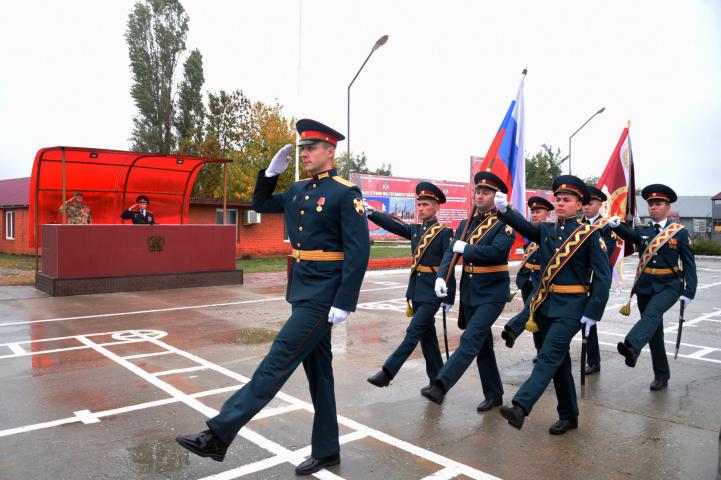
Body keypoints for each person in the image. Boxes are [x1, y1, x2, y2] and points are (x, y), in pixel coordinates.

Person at [175, 119, 370, 476]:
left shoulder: (345, 193)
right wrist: (269, 172)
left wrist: (345, 299)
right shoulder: (297, 190)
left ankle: (219, 433)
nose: (305, 154)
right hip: (301, 288)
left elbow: (359, 251)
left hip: (324, 295)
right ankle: (327, 450)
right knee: (319, 375)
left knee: (277, 359)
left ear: (331, 151)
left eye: (312, 148)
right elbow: (261, 204)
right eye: (302, 149)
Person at [495, 175, 611, 434]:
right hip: (546, 305)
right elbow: (524, 227)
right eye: (557, 199)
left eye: (566, 200)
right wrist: (504, 210)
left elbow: (603, 277)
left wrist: (594, 311)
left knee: (548, 355)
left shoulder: (591, 235)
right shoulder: (546, 231)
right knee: (559, 364)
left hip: (572, 307)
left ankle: (520, 407)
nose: (559, 204)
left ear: (579, 204)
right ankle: (569, 415)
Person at [423, 171, 515, 412]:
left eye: (486, 192)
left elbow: (497, 253)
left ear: (497, 196)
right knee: (482, 345)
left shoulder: (505, 223)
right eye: (478, 191)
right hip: (471, 292)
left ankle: (441, 385)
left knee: (470, 338)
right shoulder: (466, 224)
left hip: (493, 292)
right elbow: (450, 253)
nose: (480, 195)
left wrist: (469, 249)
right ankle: (494, 394)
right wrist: (442, 277)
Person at [364, 182, 456, 391]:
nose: (421, 208)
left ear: (436, 207)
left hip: (433, 291)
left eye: (425, 204)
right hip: (416, 291)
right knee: (427, 337)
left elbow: (448, 264)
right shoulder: (415, 230)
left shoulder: (444, 233)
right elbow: (394, 225)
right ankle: (437, 382)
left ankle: (387, 372)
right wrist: (372, 213)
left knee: (413, 331)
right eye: (419, 204)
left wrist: (449, 297)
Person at [607, 184, 696, 391]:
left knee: (652, 315)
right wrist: (615, 226)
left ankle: (631, 346)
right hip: (646, 286)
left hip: (669, 286)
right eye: (651, 204)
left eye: (658, 203)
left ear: (668, 206)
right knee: (655, 332)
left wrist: (689, 291)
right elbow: (629, 236)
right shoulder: (643, 231)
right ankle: (662, 376)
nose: (653, 207)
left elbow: (689, 264)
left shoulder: (680, 232)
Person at [501, 196, 554, 352]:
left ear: (548, 214)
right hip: (527, 282)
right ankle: (539, 351)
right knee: (534, 319)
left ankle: (512, 329)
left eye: (538, 211)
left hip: (543, 282)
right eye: (532, 212)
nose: (535, 215)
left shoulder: (552, 233)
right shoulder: (530, 237)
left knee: (532, 310)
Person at [580, 185, 617, 375]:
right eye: (584, 203)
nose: (586, 207)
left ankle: (593, 361)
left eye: (590, 203)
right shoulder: (577, 224)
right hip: (578, 279)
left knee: (589, 319)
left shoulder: (607, 226)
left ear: (600, 204)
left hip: (595, 278)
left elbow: (606, 253)